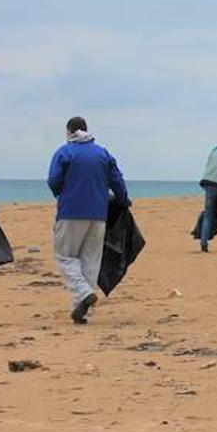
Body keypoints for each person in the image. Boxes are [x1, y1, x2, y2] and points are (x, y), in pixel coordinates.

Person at [47, 116, 130, 324]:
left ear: (69, 131)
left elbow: (54, 180)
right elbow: (117, 180)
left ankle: (83, 294)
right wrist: (122, 199)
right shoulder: (102, 153)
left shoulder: (65, 152)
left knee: (65, 256)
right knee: (90, 261)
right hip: (98, 214)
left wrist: (61, 193)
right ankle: (82, 311)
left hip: (71, 212)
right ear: (86, 129)